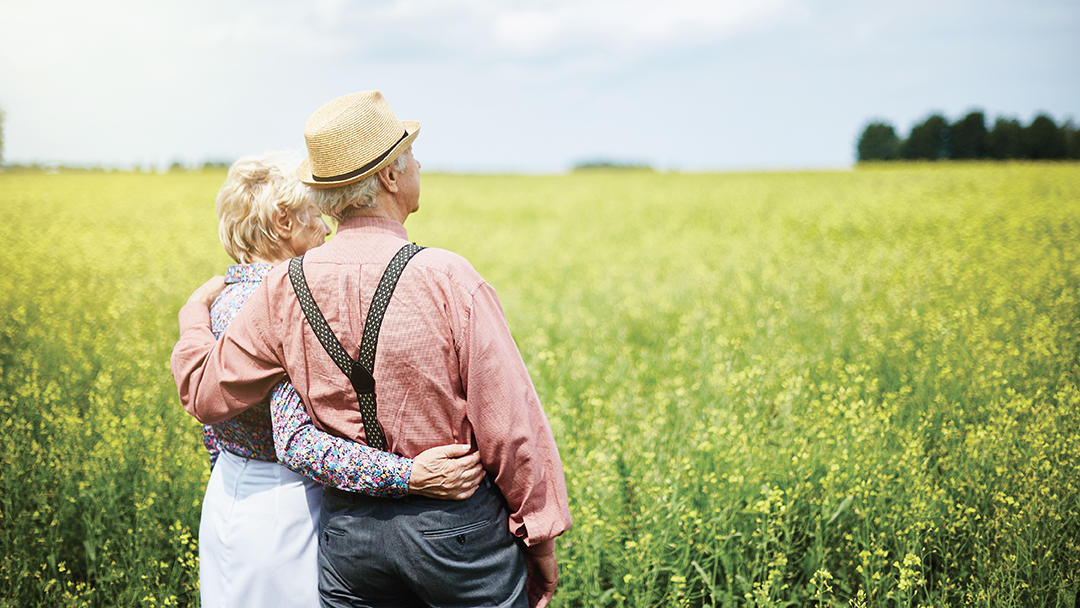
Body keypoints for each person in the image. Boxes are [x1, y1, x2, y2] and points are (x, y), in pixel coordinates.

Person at [172, 90, 572, 608]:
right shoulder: (447, 277)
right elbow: (511, 427)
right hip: (456, 536)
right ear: (388, 177)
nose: (420, 164)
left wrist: (192, 315)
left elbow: (205, 396)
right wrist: (539, 540)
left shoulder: (282, 288)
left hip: (350, 541)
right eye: (411, 156)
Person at [192, 153, 485, 608]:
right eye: (316, 215)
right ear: (283, 221)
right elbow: (296, 444)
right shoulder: (282, 305)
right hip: (285, 514)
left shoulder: (220, 301)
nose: (328, 228)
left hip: (227, 502)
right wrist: (411, 476)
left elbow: (215, 431)